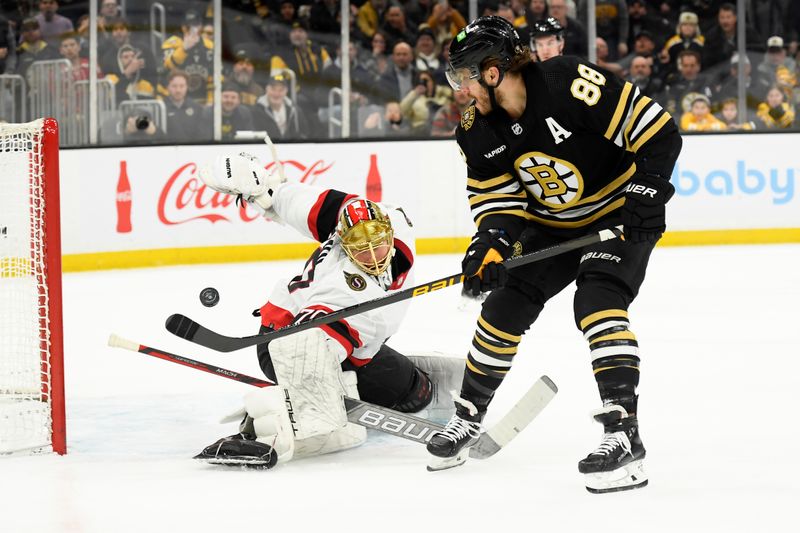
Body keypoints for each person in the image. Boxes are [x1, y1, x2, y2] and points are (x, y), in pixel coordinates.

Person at [427, 16, 682, 494]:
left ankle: (624, 437)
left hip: (615, 216)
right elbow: (499, 204)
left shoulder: (567, 82)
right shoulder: (475, 130)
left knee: (598, 304)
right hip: (550, 225)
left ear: (493, 71)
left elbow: (659, 132)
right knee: (502, 306)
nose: (461, 90)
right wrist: (490, 245)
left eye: (464, 77)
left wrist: (648, 188)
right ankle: (468, 417)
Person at [192, 152, 459, 468]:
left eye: (377, 241)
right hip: (286, 339)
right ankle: (265, 429)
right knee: (334, 423)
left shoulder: (392, 219)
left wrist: (265, 192)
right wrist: (309, 391)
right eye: (360, 246)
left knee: (418, 393)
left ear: (388, 228)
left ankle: (338, 390)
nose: (372, 253)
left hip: (341, 335)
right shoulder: (346, 287)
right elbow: (307, 343)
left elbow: (308, 204)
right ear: (345, 244)